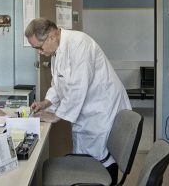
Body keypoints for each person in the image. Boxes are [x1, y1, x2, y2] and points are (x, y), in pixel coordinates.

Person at [25, 18, 131, 185]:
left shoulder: (79, 44)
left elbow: (77, 87)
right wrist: (46, 102)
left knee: (104, 157)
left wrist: (56, 116)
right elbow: (59, 83)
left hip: (102, 110)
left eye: (38, 46)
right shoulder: (58, 51)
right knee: (87, 157)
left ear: (51, 36)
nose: (38, 51)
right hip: (88, 111)